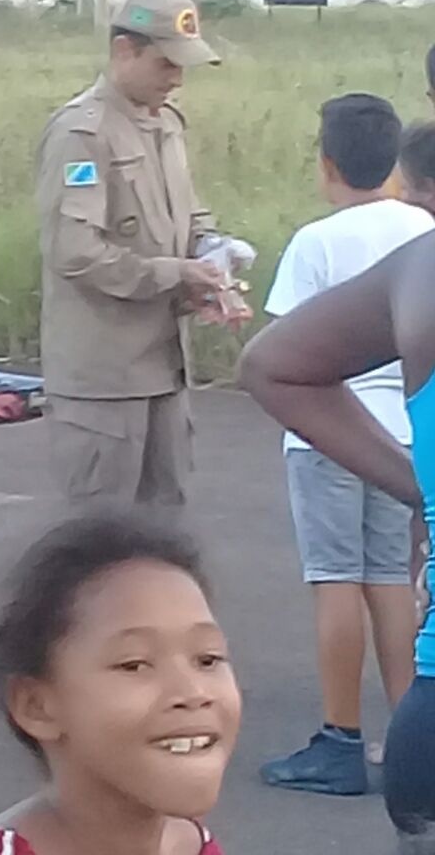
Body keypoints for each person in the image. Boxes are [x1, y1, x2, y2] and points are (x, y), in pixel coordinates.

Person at [238, 136, 435, 849]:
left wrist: (425, 493)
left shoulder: (418, 268)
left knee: (338, 580)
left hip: (431, 737)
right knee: (382, 581)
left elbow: (273, 361)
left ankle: (344, 731)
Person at [0, 512, 241, 855]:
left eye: (207, 659)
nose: (193, 693)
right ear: (36, 705)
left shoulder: (194, 846)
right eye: (134, 664)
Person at [36, 0, 226, 510]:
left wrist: (214, 252)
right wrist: (174, 274)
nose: (177, 79)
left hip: (164, 367)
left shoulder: (167, 124)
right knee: (101, 538)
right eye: (166, 64)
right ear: (125, 51)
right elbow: (73, 250)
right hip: (103, 377)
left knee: (166, 529)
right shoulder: (82, 133)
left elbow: (187, 213)